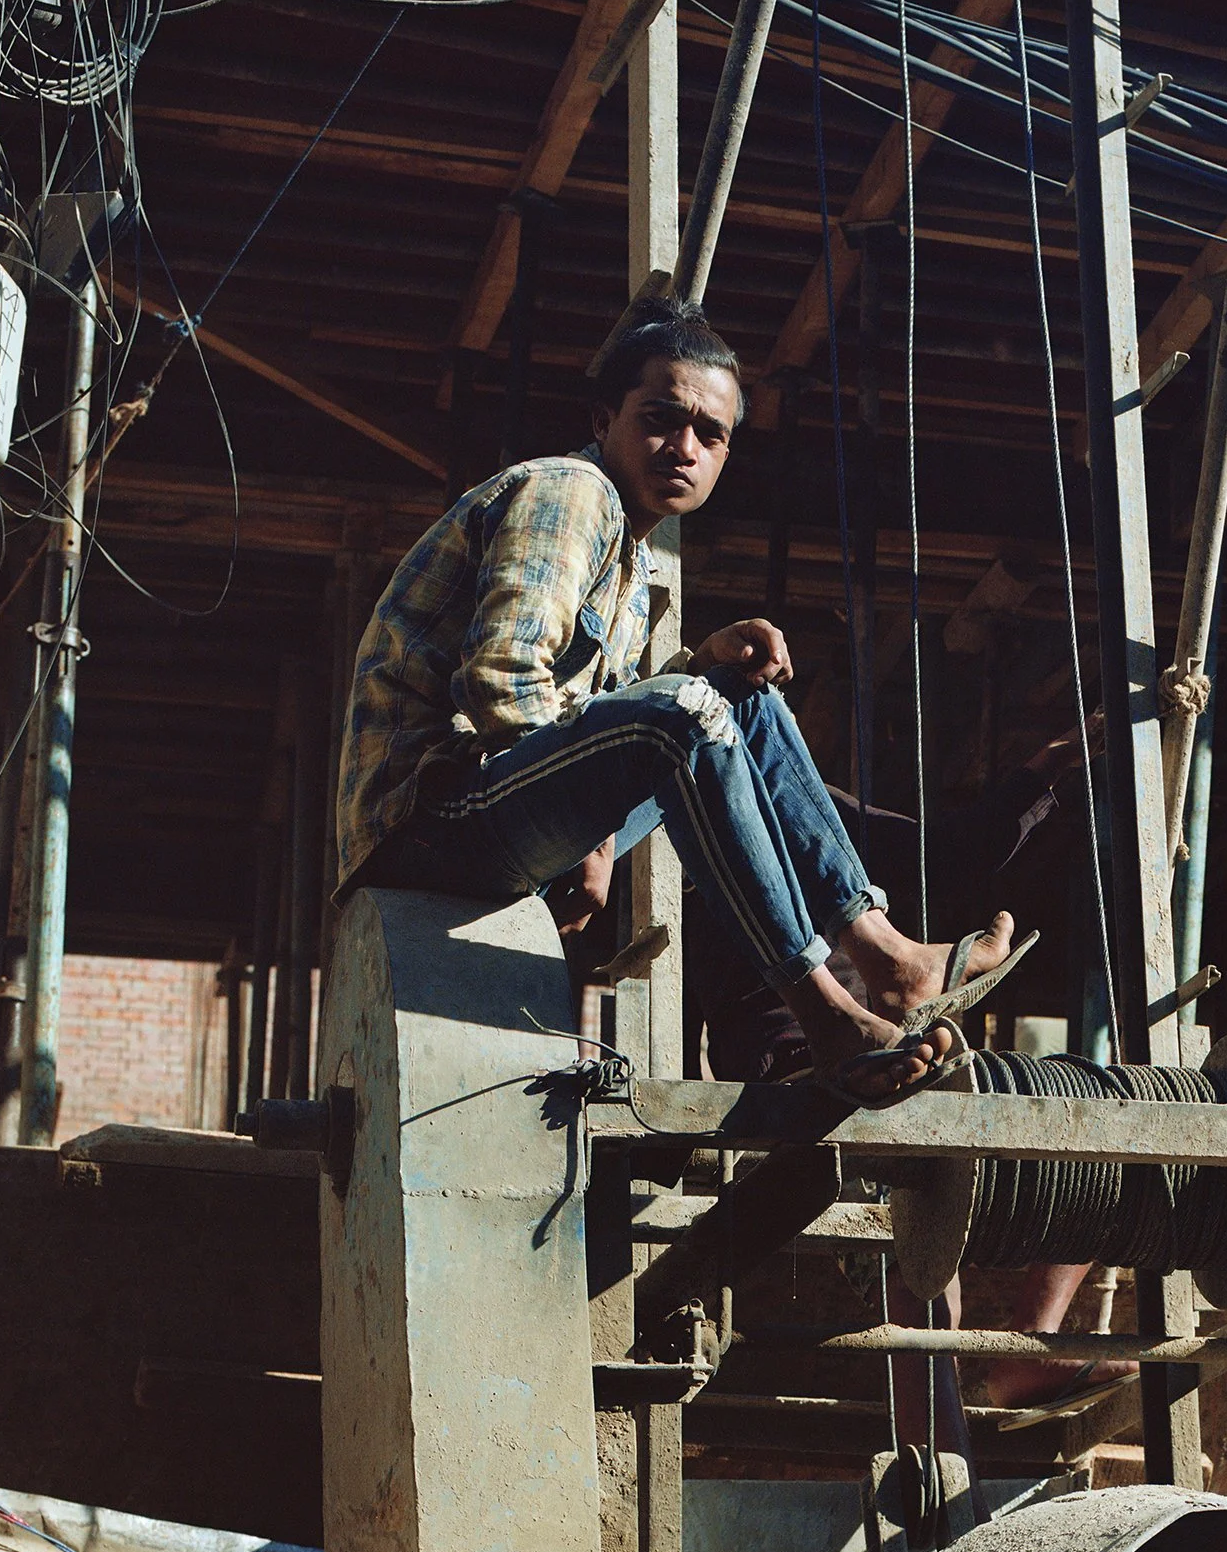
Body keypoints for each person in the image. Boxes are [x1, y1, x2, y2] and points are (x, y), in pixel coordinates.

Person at [332, 296, 1025, 1100]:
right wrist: (593, 828)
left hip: (503, 803)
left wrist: (703, 662)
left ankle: (886, 957)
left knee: (740, 694)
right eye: (662, 419)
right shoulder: (572, 493)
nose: (684, 447)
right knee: (690, 709)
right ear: (604, 418)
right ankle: (822, 1009)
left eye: (711, 434)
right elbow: (502, 678)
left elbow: (604, 717)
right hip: (428, 818)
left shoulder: (633, 562)